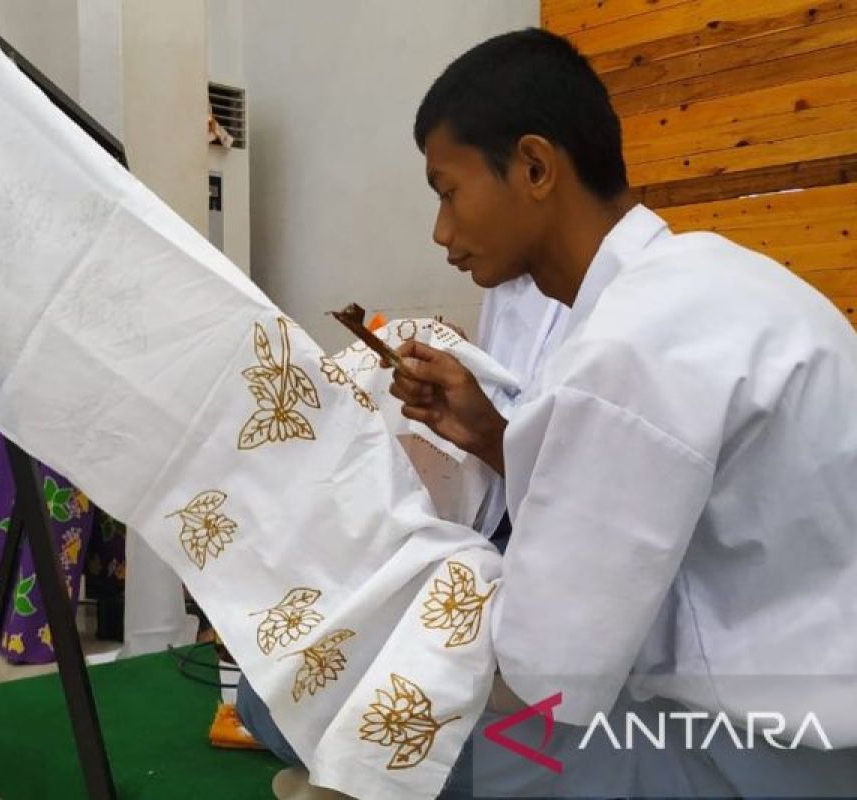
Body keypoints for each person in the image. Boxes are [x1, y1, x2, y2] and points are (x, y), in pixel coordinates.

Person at [241, 27, 857, 799]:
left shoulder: (626, 347)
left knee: (316, 706)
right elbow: (641, 512)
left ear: (534, 166)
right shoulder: (709, 285)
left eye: (448, 191)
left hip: (741, 757)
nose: (442, 231)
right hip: (800, 725)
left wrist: (399, 613)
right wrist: (491, 436)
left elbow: (545, 672)